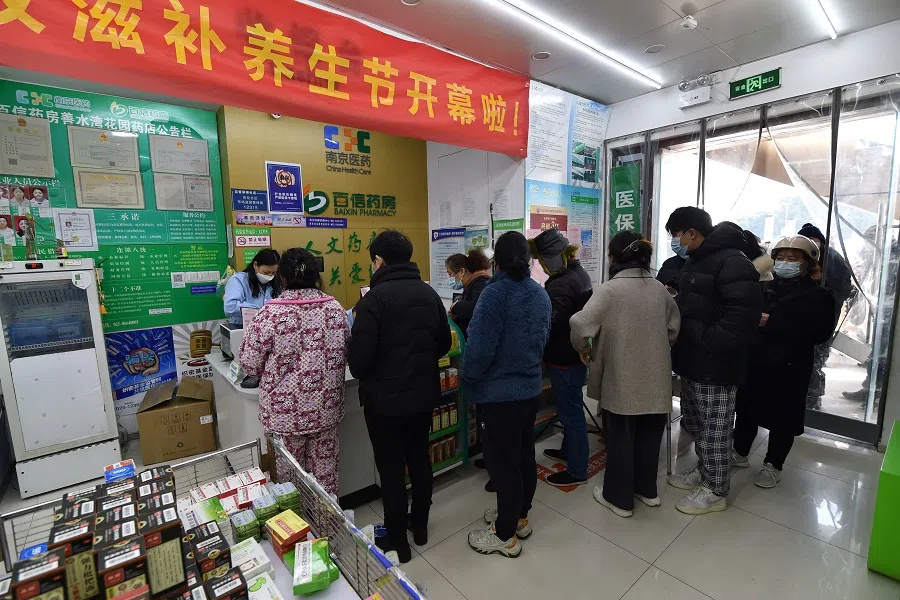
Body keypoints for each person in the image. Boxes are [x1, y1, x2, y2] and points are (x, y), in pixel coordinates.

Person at [349, 230, 451, 564]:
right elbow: (444, 344)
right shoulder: (428, 293)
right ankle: (419, 526)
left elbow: (360, 362)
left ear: (378, 260)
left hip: (384, 402)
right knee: (420, 460)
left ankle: (398, 542)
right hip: (422, 396)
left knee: (391, 470)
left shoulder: (373, 301)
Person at [570, 232, 680, 517]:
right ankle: (647, 491)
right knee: (649, 438)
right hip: (656, 378)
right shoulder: (659, 289)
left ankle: (619, 499)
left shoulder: (609, 290)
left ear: (613, 258)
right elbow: (673, 330)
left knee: (620, 439)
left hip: (621, 378)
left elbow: (581, 324)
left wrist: (584, 348)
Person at [665, 207, 762, 515]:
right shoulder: (697, 259)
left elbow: (741, 321)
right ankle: (704, 472)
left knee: (715, 429)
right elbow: (695, 302)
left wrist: (705, 339)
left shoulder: (734, 262)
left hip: (716, 363)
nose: (675, 242)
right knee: (697, 423)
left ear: (692, 232)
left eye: (676, 235)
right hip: (693, 359)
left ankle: (715, 490)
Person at [464, 231, 551, 558]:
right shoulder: (540, 295)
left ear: (495, 261)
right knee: (523, 455)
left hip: (498, 395)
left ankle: (504, 535)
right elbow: (541, 342)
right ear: (528, 261)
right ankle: (519, 517)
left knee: (502, 465)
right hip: (529, 391)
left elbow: (479, 350)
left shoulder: (494, 294)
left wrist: (467, 377)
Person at [239, 248, 350, 496]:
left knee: (288, 486)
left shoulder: (269, 314)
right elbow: (347, 353)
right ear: (316, 275)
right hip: (326, 412)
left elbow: (250, 365)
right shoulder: (335, 309)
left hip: (284, 417)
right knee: (325, 481)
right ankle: (328, 531)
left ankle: (294, 533)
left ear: (283, 278)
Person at [732, 236, 835, 487]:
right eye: (780, 257)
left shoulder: (820, 296)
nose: (784, 262)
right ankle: (739, 452)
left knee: (783, 418)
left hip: (791, 366)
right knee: (747, 410)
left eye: (793, 258)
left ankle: (773, 464)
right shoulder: (764, 286)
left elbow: (820, 333)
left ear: (807, 264)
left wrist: (773, 322)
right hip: (756, 361)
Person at [529, 228, 593, 487]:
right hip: (573, 354)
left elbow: (551, 323)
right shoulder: (578, 273)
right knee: (570, 407)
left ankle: (578, 469)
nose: (542, 265)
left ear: (556, 256)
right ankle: (569, 452)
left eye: (544, 259)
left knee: (571, 413)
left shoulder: (564, 282)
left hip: (564, 357)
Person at [794, 223, 854, 410]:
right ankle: (811, 399)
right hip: (826, 315)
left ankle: (811, 402)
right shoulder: (833, 255)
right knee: (816, 358)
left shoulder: (822, 255)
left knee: (814, 359)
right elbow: (845, 288)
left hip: (819, 316)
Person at [223, 249, 281, 325]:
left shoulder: (276, 282)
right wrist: (260, 310)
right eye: (266, 272)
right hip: (242, 327)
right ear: (255, 265)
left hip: (268, 328)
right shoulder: (239, 280)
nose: (270, 276)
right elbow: (230, 307)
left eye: (273, 273)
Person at [445, 250, 491, 337]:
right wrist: (457, 316)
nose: (450, 278)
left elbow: (476, 308)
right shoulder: (470, 285)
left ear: (462, 272)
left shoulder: (481, 283)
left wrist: (456, 307)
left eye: (450, 273)